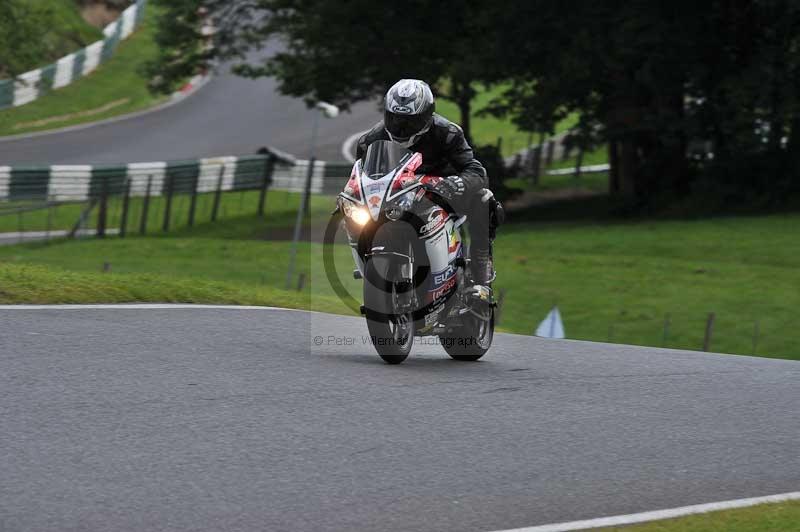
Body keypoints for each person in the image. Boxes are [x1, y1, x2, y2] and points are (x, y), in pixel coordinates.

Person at [356, 79, 500, 296]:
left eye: (409, 121)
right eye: (395, 119)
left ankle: (480, 264)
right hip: (393, 200)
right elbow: (359, 175)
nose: (401, 127)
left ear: (426, 116)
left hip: (442, 195)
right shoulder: (370, 140)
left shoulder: (448, 133)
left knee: (484, 199)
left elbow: (476, 171)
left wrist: (457, 183)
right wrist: (350, 194)